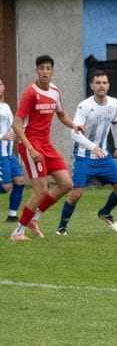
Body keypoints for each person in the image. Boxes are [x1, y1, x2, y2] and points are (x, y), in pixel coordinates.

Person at [10, 55, 87, 241]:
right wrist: (30, 149)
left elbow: (61, 114)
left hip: (46, 144)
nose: (45, 72)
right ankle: (18, 231)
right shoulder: (31, 93)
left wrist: (74, 125)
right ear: (36, 70)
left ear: (52, 71)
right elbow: (16, 123)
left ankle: (33, 218)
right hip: (30, 144)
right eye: (41, 68)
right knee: (41, 190)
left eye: (48, 68)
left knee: (66, 184)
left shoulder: (54, 91)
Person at [56, 70, 117, 236]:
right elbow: (74, 133)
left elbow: (116, 124)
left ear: (108, 85)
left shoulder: (114, 103)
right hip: (84, 156)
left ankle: (105, 212)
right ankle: (62, 228)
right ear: (92, 86)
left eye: (104, 82)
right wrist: (92, 147)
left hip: (103, 156)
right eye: (98, 83)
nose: (101, 86)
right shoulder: (85, 106)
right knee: (76, 193)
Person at [0, 79, 26, 222]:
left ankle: (12, 215)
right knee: (5, 187)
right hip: (0, 153)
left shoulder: (6, 106)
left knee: (20, 181)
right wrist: (2, 136)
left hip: (9, 153)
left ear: (4, 87)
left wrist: (20, 133)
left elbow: (11, 126)